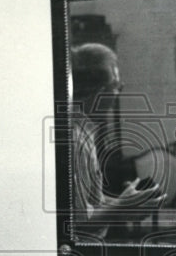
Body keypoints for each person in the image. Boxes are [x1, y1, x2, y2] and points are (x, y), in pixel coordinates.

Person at [69, 42, 165, 240]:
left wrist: (127, 202)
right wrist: (122, 206)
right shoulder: (75, 140)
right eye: (115, 86)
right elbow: (77, 224)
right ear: (98, 91)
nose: (118, 93)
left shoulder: (85, 132)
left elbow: (91, 204)